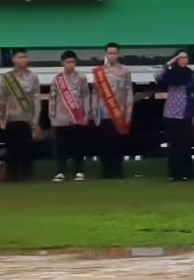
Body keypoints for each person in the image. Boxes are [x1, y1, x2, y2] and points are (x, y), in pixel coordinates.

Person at [0, 48, 41, 182]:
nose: (23, 60)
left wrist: (35, 118)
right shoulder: (7, 77)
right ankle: (11, 176)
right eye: (20, 57)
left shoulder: (33, 76)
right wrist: (0, 118)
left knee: (27, 148)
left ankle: (27, 175)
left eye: (25, 57)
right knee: (11, 149)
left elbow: (36, 98)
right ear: (13, 60)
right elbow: (1, 98)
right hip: (10, 118)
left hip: (27, 118)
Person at [49, 50, 94, 182]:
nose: (71, 64)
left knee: (78, 145)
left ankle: (79, 171)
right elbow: (52, 99)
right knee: (61, 146)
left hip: (78, 117)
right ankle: (60, 171)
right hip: (61, 118)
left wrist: (87, 113)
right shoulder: (57, 79)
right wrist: (52, 116)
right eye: (68, 62)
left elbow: (86, 96)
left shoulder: (81, 78)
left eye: (73, 62)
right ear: (63, 63)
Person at [93, 42, 134, 179]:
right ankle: (105, 172)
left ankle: (118, 171)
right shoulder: (99, 72)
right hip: (104, 114)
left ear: (118, 54)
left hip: (119, 114)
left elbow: (129, 92)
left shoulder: (125, 71)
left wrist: (128, 113)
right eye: (110, 53)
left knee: (118, 144)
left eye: (114, 53)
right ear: (105, 54)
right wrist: (95, 113)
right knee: (104, 144)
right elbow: (95, 94)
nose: (112, 55)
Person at [156, 50, 194, 181]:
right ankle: (174, 173)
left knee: (185, 144)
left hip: (186, 113)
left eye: (186, 57)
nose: (184, 60)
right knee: (173, 145)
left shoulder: (192, 74)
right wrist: (169, 63)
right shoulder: (170, 73)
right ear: (176, 59)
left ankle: (186, 173)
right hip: (171, 112)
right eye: (181, 58)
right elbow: (157, 76)